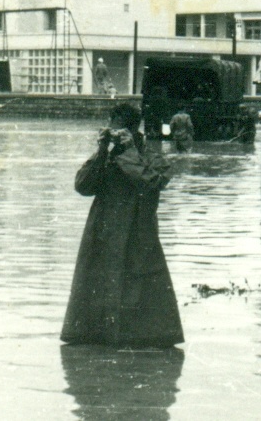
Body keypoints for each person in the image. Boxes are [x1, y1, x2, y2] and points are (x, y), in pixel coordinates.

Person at [61, 103, 184, 348]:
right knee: (98, 286)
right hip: (102, 234)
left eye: (120, 130)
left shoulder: (153, 158)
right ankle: (95, 340)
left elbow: (151, 183)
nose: (116, 135)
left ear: (134, 130)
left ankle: (142, 339)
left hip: (138, 234)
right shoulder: (107, 158)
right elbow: (82, 186)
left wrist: (129, 152)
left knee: (139, 287)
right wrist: (101, 150)